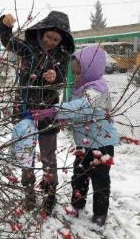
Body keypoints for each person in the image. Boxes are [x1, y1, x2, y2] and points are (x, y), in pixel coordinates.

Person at [32, 45, 119, 226]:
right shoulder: (80, 87)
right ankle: (77, 205)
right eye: (75, 72)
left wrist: (54, 111)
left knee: (100, 179)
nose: (76, 75)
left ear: (92, 68)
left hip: (101, 143)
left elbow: (82, 106)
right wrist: (64, 120)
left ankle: (100, 213)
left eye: (79, 71)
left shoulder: (98, 88)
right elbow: (77, 111)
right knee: (79, 174)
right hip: (84, 142)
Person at [0, 11, 75, 214]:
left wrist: (55, 76)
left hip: (48, 110)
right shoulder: (27, 48)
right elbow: (7, 42)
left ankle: (50, 193)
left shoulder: (62, 55)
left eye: (55, 39)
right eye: (48, 36)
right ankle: (29, 191)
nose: (50, 41)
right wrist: (5, 26)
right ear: (42, 32)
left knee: (48, 154)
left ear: (61, 40)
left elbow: (62, 81)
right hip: (25, 109)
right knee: (26, 153)